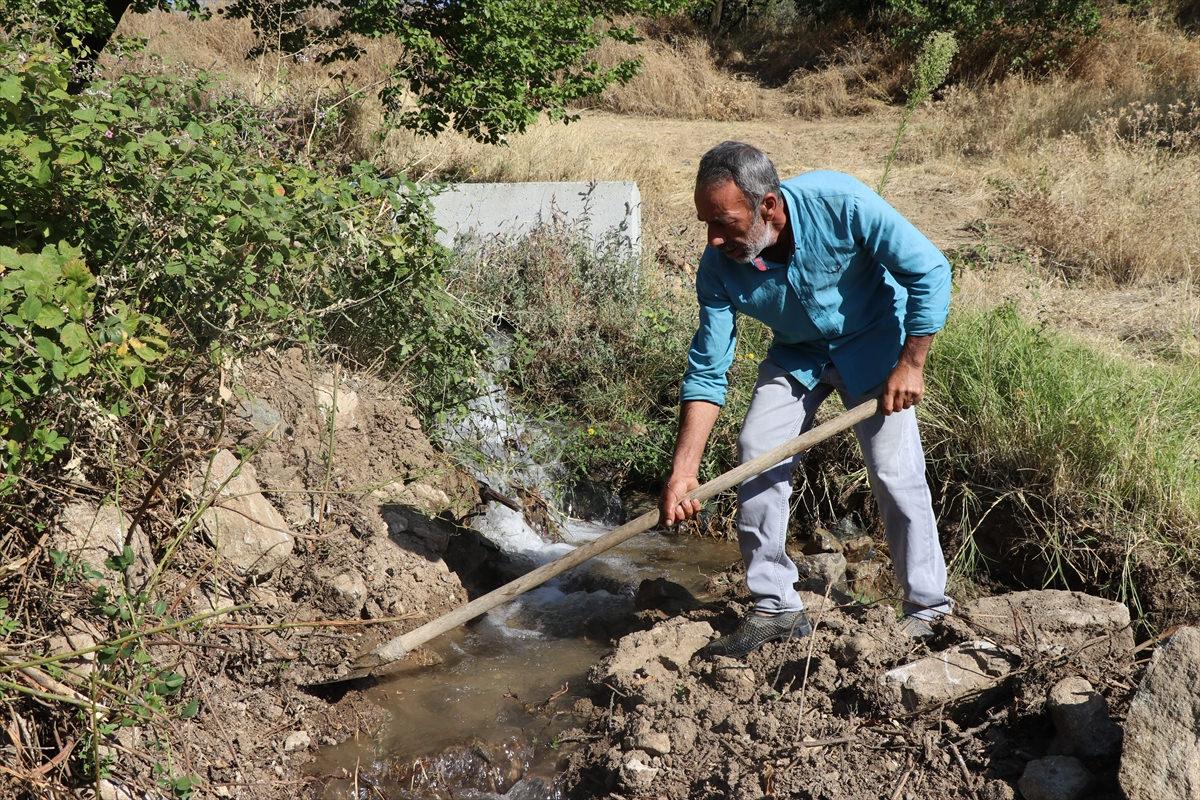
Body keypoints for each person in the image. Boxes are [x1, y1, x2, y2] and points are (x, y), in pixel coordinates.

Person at [660, 141, 952, 659]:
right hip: (797, 354)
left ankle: (928, 610)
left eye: (725, 222)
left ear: (767, 206)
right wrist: (685, 471)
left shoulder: (840, 202)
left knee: (893, 470)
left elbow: (929, 270)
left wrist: (911, 364)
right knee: (756, 450)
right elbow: (708, 369)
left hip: (876, 342)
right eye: (707, 222)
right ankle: (775, 605)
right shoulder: (719, 266)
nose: (713, 237)